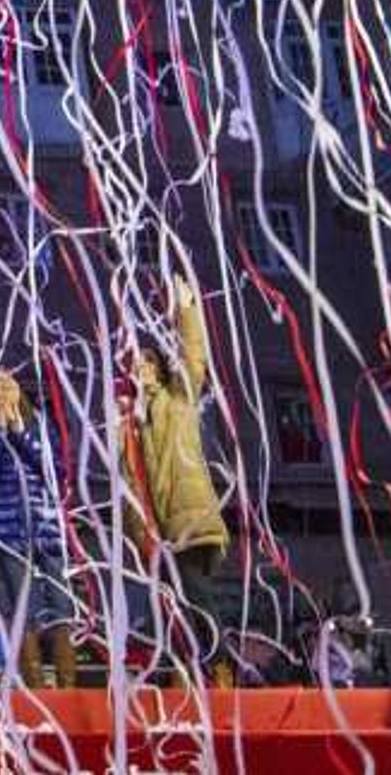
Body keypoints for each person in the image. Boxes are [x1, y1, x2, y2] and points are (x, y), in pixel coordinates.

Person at [122, 281, 232, 685]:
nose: (142, 368)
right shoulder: (129, 422)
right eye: (136, 364)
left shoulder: (178, 399)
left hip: (188, 519)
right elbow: (129, 484)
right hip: (157, 531)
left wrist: (186, 312)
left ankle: (219, 665)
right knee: (168, 604)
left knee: (195, 594)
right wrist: (138, 533)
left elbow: (193, 358)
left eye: (148, 362)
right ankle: (184, 673)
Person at [0, 365, 72, 687]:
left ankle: (68, 688)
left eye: (7, 384)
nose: (2, 391)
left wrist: (20, 431)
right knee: (26, 611)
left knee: (61, 606)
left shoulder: (38, 423)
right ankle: (35, 686)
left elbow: (53, 467)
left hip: (45, 531)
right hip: (8, 533)